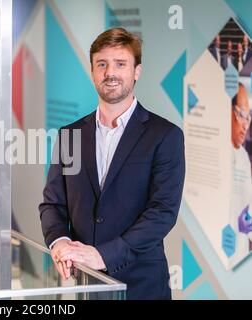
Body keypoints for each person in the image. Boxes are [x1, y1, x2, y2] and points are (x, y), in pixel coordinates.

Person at [39, 27, 185, 300]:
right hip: (85, 284)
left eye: (120, 64)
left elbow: (162, 212)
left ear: (136, 71)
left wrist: (102, 255)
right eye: (102, 64)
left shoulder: (165, 136)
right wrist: (60, 242)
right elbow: (53, 203)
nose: (110, 73)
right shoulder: (70, 135)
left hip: (141, 286)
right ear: (93, 71)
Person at [228, 83, 252, 265]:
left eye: (248, 117)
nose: (245, 124)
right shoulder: (219, 152)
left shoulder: (243, 157)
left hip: (240, 253)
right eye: (241, 114)